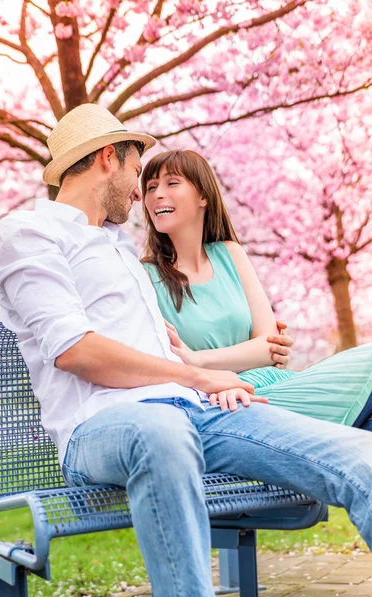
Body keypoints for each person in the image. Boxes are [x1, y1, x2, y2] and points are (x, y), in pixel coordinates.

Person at [0, 104, 372, 597]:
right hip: (103, 427)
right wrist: (198, 377)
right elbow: (75, 350)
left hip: (199, 415)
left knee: (360, 455)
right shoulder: (28, 233)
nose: (139, 193)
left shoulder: (118, 246)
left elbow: (163, 348)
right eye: (137, 173)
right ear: (109, 158)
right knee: (160, 431)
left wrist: (206, 380)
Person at [141, 149, 372, 431]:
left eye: (171, 183)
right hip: (223, 403)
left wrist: (199, 359)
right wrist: (220, 369)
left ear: (203, 196)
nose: (156, 195)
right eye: (150, 187)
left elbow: (269, 345)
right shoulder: (145, 277)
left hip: (266, 385)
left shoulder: (230, 253)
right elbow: (165, 365)